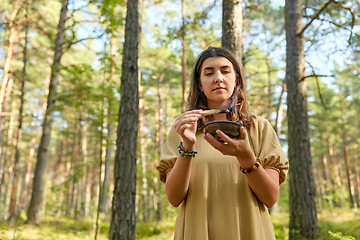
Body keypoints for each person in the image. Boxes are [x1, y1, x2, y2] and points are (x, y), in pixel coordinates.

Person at [156, 46, 288, 240]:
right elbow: (174, 198)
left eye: (225, 71)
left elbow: (270, 198)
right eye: (209, 73)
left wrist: (246, 157)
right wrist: (188, 146)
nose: (218, 78)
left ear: (236, 80)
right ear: (200, 84)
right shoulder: (183, 130)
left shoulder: (259, 128)